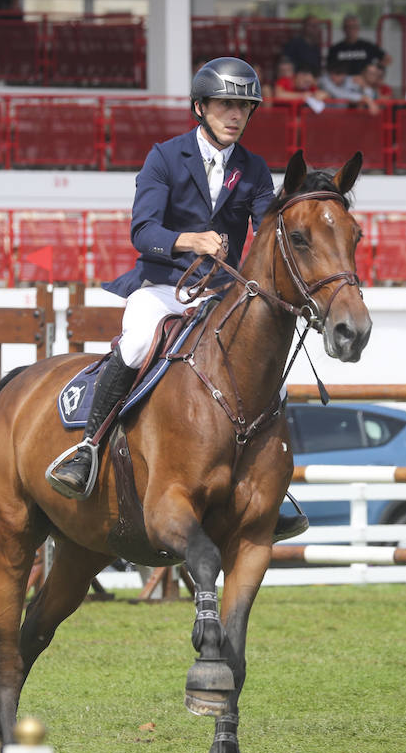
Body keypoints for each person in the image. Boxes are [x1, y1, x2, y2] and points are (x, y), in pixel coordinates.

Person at [44, 56, 308, 542]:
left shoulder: (251, 170)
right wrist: (192, 239)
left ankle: (272, 487)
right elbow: (143, 232)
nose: (236, 116)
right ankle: (88, 448)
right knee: (138, 341)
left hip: (222, 294)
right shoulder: (164, 157)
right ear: (200, 107)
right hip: (165, 285)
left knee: (269, 372)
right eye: (226, 105)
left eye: (244, 108)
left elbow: (264, 226)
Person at [325, 14, 390, 84]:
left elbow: (387, 59)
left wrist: (374, 71)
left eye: (354, 27)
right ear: (343, 28)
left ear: (358, 28)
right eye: (348, 27)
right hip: (343, 83)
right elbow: (330, 70)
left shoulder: (367, 46)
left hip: (365, 82)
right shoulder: (335, 49)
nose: (351, 30)